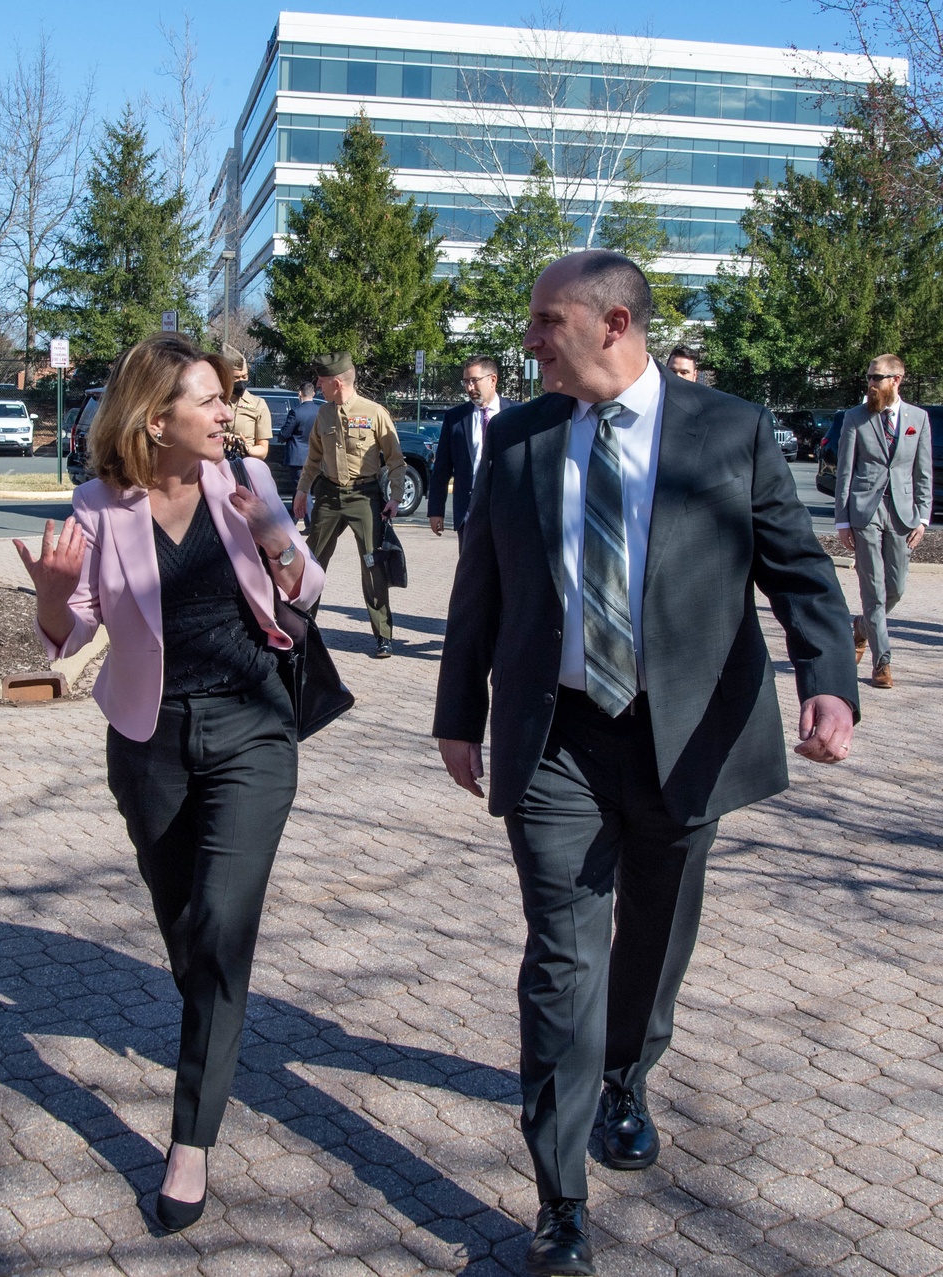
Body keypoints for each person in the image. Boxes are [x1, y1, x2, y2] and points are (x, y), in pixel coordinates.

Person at [433, 250, 859, 1277]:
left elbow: (796, 567)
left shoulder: (730, 430)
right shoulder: (524, 437)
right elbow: (479, 588)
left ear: (611, 321)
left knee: (656, 932)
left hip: (686, 739)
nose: (527, 338)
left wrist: (828, 675)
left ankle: (626, 1072)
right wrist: (458, 713)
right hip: (557, 739)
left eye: (544, 321)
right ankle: (559, 1194)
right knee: (559, 959)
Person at [14, 334, 324, 1233]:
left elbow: (303, 595)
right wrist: (52, 593)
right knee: (188, 931)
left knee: (224, 926)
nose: (230, 410)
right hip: (149, 741)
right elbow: (64, 641)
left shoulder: (251, 483)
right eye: (212, 399)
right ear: (159, 419)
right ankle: (215, 1022)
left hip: (254, 727)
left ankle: (190, 1139)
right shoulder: (97, 505)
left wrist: (274, 539)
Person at [292, 351, 405, 658]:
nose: (318, 384)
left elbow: (395, 459)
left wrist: (395, 497)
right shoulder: (323, 414)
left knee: (373, 565)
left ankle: (383, 636)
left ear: (337, 382)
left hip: (364, 496)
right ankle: (302, 628)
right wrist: (302, 491)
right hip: (328, 495)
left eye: (322, 380)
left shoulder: (374, 412)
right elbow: (314, 457)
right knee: (312, 562)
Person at [835, 353, 932, 689]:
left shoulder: (918, 419)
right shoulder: (855, 418)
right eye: (868, 377)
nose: (870, 383)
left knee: (897, 587)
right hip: (865, 513)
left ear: (896, 380)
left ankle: (861, 628)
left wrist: (922, 516)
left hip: (903, 515)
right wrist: (842, 521)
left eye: (877, 377)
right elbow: (844, 471)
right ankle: (882, 662)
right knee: (873, 591)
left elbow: (923, 472)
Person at [428, 357, 517, 550]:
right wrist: (436, 510)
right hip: (469, 512)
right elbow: (442, 467)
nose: (469, 387)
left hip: (508, 513)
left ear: (493, 380)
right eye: (465, 381)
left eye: (474, 380)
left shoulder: (517, 413)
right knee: (471, 576)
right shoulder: (455, 418)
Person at [222, 343, 272, 460]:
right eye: (236, 378)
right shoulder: (215, 402)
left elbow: (263, 450)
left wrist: (247, 448)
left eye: (245, 376)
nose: (241, 381)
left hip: (244, 465)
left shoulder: (258, 404)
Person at [281, 381, 320, 524]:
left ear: (300, 393)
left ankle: (311, 523)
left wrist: (281, 437)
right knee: (299, 488)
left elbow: (285, 433)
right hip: (315, 455)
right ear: (314, 394)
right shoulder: (320, 411)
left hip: (297, 457)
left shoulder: (296, 412)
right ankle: (293, 520)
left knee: (303, 489)